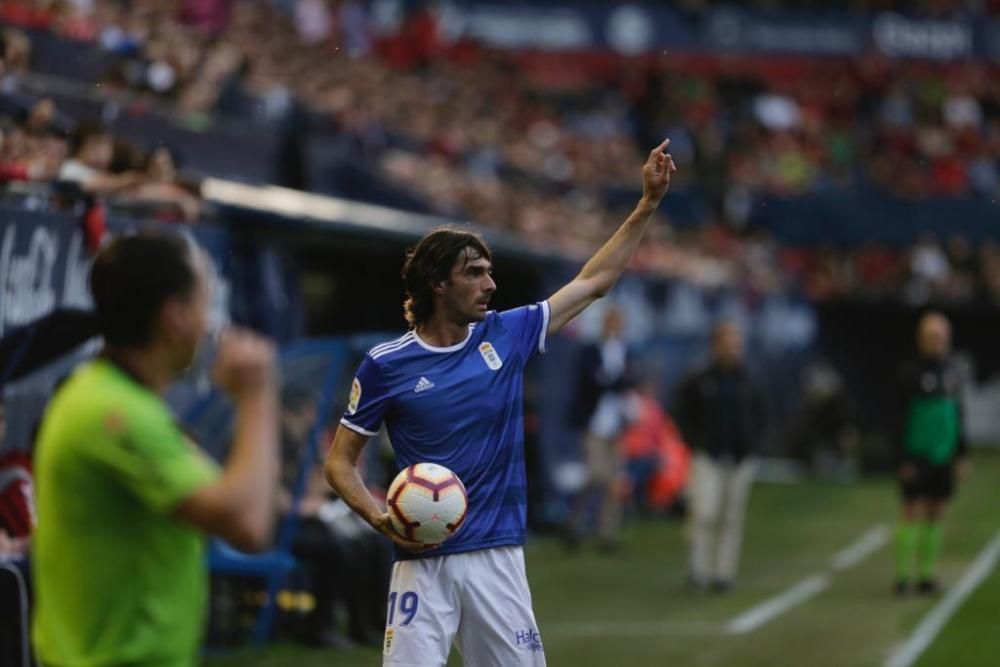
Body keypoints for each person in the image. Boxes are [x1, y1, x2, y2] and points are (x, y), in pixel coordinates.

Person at [325, 140, 676, 666]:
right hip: (421, 563)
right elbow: (339, 463)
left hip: (496, 557)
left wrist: (646, 204)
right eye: (475, 273)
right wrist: (379, 517)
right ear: (438, 283)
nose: (491, 284)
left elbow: (594, 282)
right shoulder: (385, 364)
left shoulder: (507, 334)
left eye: (490, 271)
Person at [32, 232, 280, 667]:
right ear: (175, 318)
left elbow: (238, 506)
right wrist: (257, 395)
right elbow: (248, 524)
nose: (210, 326)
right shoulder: (115, 414)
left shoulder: (116, 400)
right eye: (206, 305)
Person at [674, 321, 763, 593]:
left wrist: (753, 446)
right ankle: (699, 570)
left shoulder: (749, 378)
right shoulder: (701, 379)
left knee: (731, 516)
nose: (733, 349)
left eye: (736, 343)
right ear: (716, 345)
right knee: (704, 513)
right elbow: (682, 411)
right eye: (728, 343)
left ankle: (723, 574)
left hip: (739, 457)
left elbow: (762, 414)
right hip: (708, 455)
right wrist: (694, 441)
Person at [894, 312, 968, 596]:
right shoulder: (911, 373)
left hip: (943, 453)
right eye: (931, 336)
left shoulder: (952, 372)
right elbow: (898, 418)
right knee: (911, 509)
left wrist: (961, 453)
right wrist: (902, 458)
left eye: (941, 336)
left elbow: (959, 415)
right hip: (916, 454)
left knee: (936, 511)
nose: (937, 342)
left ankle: (926, 575)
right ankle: (903, 578)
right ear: (921, 339)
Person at [565, 307, 633, 550]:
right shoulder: (590, 350)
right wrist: (611, 381)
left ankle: (607, 533)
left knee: (615, 481)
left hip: (615, 424)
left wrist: (611, 381)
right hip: (594, 423)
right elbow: (591, 383)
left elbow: (624, 382)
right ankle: (574, 522)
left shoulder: (625, 351)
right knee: (596, 475)